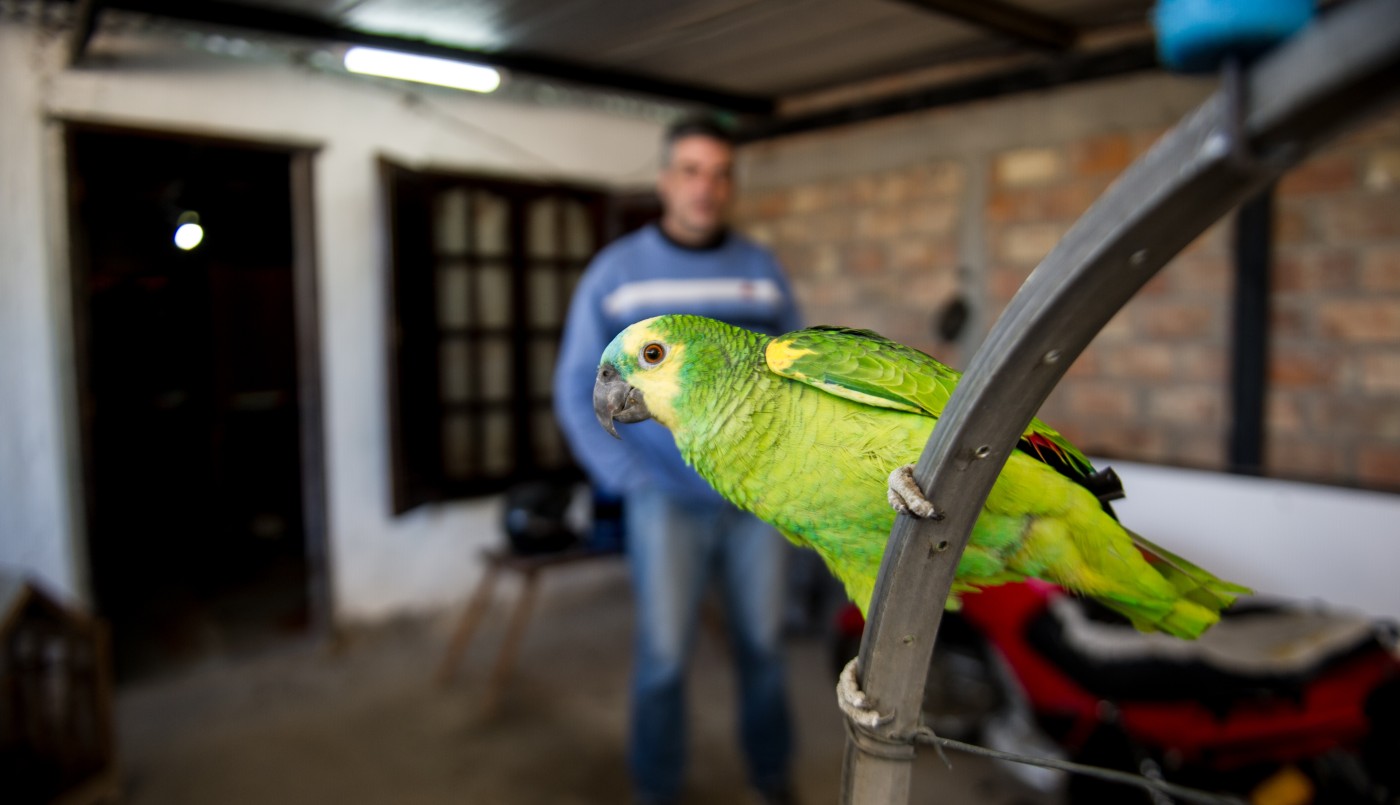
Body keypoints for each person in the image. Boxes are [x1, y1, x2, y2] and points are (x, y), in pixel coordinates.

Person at [553, 115, 802, 805]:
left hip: (755, 499)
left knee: (765, 650)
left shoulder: (761, 272)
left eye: (720, 173)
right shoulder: (617, 275)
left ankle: (771, 779)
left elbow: (795, 378)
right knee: (663, 657)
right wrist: (627, 479)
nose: (706, 187)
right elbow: (578, 386)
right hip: (662, 499)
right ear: (665, 181)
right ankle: (656, 790)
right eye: (691, 170)